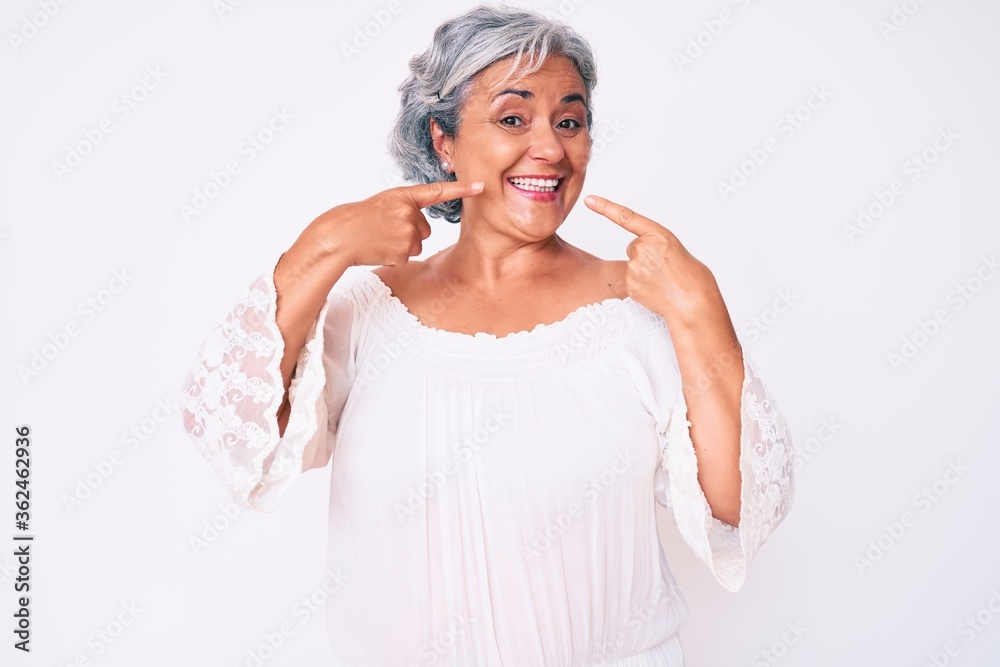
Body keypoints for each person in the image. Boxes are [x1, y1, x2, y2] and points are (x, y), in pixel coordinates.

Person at [179, 5, 794, 665]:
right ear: (443, 140)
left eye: (569, 121)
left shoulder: (640, 312)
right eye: (513, 119)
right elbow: (235, 434)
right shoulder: (367, 312)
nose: (551, 148)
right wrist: (322, 246)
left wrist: (703, 310)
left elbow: (738, 509)